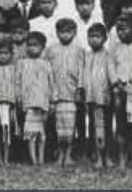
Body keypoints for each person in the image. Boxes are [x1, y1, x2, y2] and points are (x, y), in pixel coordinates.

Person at [108, 14, 132, 169]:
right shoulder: (114, 48)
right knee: (121, 125)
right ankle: (122, 158)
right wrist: (116, 85)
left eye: (124, 29)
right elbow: (111, 67)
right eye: (118, 29)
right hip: (121, 91)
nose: (121, 32)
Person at [45, 18, 85, 167]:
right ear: (57, 33)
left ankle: (68, 154)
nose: (65, 35)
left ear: (74, 32)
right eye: (62, 32)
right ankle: (58, 154)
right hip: (55, 94)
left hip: (71, 95)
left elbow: (82, 71)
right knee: (57, 126)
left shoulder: (79, 51)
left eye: (68, 32)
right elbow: (47, 72)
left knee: (70, 126)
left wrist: (79, 89)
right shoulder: (51, 50)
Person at [15, 32, 55, 165]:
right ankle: (33, 158)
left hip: (43, 103)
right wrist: (18, 98)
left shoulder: (46, 64)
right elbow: (17, 82)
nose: (32, 48)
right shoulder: (22, 63)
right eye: (30, 45)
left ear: (43, 47)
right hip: (28, 103)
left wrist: (52, 101)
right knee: (30, 132)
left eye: (36, 45)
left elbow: (51, 83)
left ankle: (41, 157)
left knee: (42, 133)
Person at [84, 23, 113, 168]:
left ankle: (106, 156)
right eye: (91, 36)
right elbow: (83, 76)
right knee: (94, 127)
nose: (94, 40)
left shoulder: (108, 56)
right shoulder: (86, 55)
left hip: (103, 97)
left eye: (97, 36)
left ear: (105, 38)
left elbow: (112, 77)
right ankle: (97, 156)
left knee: (105, 128)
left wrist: (110, 93)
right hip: (90, 97)